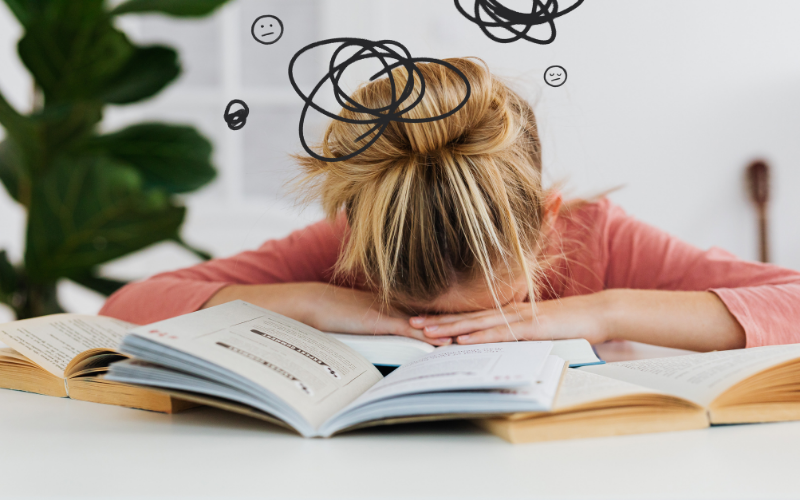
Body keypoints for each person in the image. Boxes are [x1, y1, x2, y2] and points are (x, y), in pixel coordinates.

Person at [100, 58, 800, 351]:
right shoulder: (347, 249)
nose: (457, 341)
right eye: (423, 317)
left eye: (500, 314)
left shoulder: (601, 240)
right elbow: (128, 305)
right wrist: (313, 302)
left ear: (547, 221)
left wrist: (602, 309)